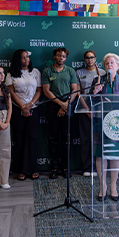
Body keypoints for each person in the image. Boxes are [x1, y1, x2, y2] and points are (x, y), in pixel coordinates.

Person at [91, 53, 119, 201]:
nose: (109, 65)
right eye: (106, 63)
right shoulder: (97, 81)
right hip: (100, 122)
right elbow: (90, 103)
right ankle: (103, 186)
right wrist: (94, 93)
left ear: (118, 65)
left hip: (117, 124)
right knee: (101, 155)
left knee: (115, 153)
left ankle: (113, 186)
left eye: (112, 63)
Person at [42, 47, 78, 179]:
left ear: (66, 58)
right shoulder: (47, 71)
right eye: (58, 55)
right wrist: (60, 104)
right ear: (54, 57)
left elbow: (74, 90)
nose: (61, 58)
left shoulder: (70, 71)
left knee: (66, 138)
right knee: (53, 138)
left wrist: (66, 105)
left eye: (63, 56)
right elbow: (46, 91)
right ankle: (54, 167)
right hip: (52, 105)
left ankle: (65, 167)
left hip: (68, 104)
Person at [6, 49, 41, 181]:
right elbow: (11, 92)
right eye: (23, 57)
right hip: (17, 109)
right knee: (19, 139)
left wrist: (30, 104)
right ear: (17, 60)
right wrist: (22, 107)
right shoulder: (11, 73)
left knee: (32, 138)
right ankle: (20, 170)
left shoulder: (35, 72)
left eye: (27, 57)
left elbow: (39, 90)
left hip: (34, 108)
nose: (26, 59)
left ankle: (32, 169)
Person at [76, 50, 105, 177]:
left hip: (99, 110)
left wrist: (94, 110)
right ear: (84, 60)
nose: (90, 60)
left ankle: (96, 167)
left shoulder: (103, 73)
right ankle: (86, 168)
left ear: (96, 58)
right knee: (85, 139)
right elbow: (78, 93)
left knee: (98, 140)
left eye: (92, 57)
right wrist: (87, 109)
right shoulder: (79, 72)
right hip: (83, 109)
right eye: (87, 58)